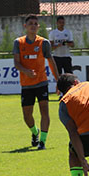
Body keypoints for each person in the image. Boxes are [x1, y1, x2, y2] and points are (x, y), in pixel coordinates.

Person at [13, 14, 59, 150]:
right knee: (27, 116)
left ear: (38, 27)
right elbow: (16, 63)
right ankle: (35, 132)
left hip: (41, 82)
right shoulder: (18, 43)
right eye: (30, 23)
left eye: (35, 23)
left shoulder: (43, 43)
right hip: (26, 85)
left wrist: (58, 81)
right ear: (25, 26)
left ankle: (43, 142)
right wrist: (26, 71)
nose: (33, 26)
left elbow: (51, 62)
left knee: (44, 111)